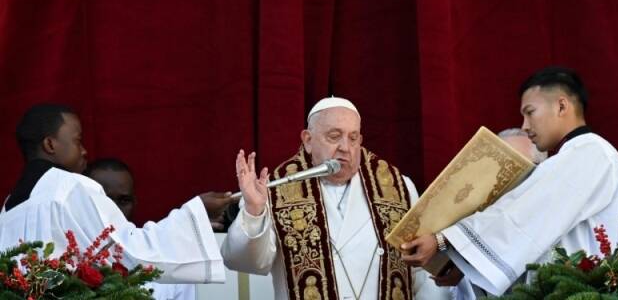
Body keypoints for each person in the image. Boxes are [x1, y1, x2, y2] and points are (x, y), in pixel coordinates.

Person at [401, 67, 618, 296]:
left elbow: (519, 215)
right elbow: (535, 238)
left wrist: (444, 240)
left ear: (561, 106)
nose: (525, 126)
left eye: (530, 112)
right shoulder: (582, 155)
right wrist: (465, 265)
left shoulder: (589, 152)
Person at [221, 97, 449, 299]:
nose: (345, 148)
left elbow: (420, 270)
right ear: (308, 140)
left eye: (353, 138)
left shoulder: (397, 186)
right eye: (334, 136)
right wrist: (253, 211)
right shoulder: (274, 189)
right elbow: (245, 262)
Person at [0, 104, 235, 284]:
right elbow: (129, 253)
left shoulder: (9, 206)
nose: (84, 151)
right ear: (50, 145)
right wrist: (196, 214)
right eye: (77, 140)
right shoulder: (70, 187)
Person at [444, 128, 547, 299]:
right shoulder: (465, 224)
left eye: (522, 171)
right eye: (503, 169)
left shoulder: (557, 224)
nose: (509, 181)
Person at [85, 158, 197, 300]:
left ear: (134, 203)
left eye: (123, 201)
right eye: (105, 200)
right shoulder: (62, 258)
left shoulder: (169, 263)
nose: (114, 211)